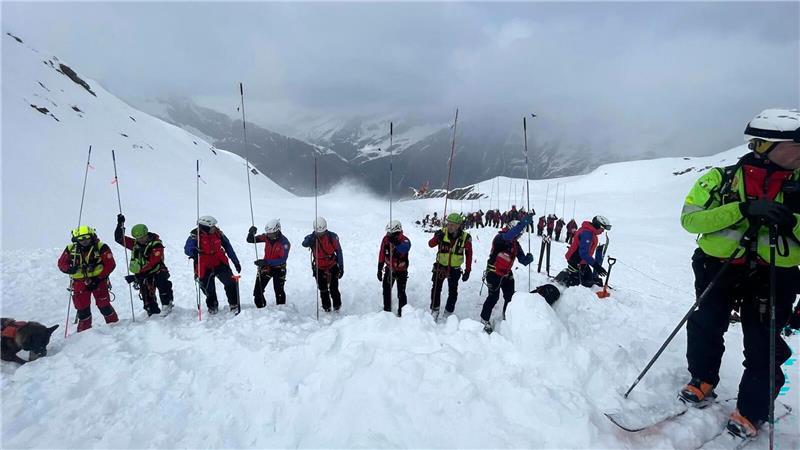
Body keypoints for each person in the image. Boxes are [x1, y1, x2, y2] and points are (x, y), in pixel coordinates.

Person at [678, 108, 800, 440]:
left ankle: (752, 410)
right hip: (718, 266)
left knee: (763, 343)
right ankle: (702, 379)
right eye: (797, 145)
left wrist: (793, 220)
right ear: (767, 145)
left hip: (773, 274)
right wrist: (743, 210)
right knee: (706, 323)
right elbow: (691, 220)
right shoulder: (720, 178)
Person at [479, 215, 535, 333]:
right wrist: (524, 223)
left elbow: (522, 260)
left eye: (521, 234)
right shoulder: (500, 238)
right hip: (493, 272)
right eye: (519, 233)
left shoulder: (515, 244)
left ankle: (507, 317)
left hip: (506, 274)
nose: (519, 236)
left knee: (510, 297)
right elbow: (509, 236)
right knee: (493, 297)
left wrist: (528, 259)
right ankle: (484, 319)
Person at [57, 226, 118, 331]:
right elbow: (61, 263)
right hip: (79, 283)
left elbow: (110, 264)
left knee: (104, 306)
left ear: (91, 236)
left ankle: (115, 327)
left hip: (99, 281)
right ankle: (84, 332)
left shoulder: (101, 247)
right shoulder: (71, 249)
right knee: (82, 309)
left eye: (86, 237)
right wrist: (69, 269)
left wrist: (98, 278)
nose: (84, 241)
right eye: (81, 238)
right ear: (76, 239)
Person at [115, 215, 173, 316]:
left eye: (142, 237)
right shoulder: (135, 244)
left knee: (162, 283)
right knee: (146, 293)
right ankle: (152, 311)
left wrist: (138, 275)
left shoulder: (156, 244)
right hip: (143, 273)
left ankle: (167, 304)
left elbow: (153, 262)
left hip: (156, 270)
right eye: (138, 238)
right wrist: (120, 224)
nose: (140, 239)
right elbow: (119, 239)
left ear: (146, 234)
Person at [184, 215, 241, 314]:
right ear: (206, 227)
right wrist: (193, 251)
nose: (215, 228)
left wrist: (235, 261)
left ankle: (234, 304)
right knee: (208, 288)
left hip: (219, 261)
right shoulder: (195, 235)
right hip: (203, 264)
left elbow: (228, 246)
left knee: (230, 282)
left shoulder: (218, 233)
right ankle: (212, 306)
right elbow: (187, 249)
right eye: (212, 226)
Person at [428, 213, 473, 321]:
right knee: (436, 288)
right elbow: (430, 244)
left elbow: (469, 254)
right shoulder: (442, 233)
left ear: (458, 225)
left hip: (455, 268)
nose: (450, 226)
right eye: (449, 224)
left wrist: (468, 270)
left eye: (453, 225)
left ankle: (448, 311)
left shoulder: (465, 238)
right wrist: (437, 237)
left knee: (453, 291)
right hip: (441, 266)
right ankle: (435, 309)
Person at [554, 215, 611, 287]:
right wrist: (597, 266)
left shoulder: (589, 231)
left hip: (582, 261)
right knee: (577, 285)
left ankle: (569, 277)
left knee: (588, 281)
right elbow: (583, 254)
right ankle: (563, 283)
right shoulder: (587, 234)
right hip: (576, 261)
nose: (603, 231)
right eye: (603, 228)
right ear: (597, 225)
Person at [302, 217, 344, 313]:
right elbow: (304, 244)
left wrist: (341, 267)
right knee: (323, 289)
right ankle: (326, 307)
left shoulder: (332, 237)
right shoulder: (311, 237)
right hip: (319, 267)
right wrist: (311, 239)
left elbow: (339, 252)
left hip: (332, 265)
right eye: (319, 232)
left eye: (322, 232)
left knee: (334, 288)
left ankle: (337, 306)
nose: (321, 234)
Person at [248, 219, 290, 308]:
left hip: (279, 269)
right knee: (257, 291)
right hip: (266, 267)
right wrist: (251, 232)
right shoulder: (266, 237)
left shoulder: (285, 243)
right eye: (268, 233)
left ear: (278, 231)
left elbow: (282, 259)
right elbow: (251, 240)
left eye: (271, 233)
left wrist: (266, 261)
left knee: (279, 290)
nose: (269, 235)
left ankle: (281, 309)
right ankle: (261, 308)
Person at [378, 220, 411, 316]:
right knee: (386, 289)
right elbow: (382, 253)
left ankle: (402, 312)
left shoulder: (405, 240)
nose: (388, 235)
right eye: (387, 233)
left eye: (390, 233)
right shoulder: (385, 239)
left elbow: (404, 248)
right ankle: (387, 310)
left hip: (401, 271)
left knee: (401, 292)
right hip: (389, 269)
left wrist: (396, 243)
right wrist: (379, 268)